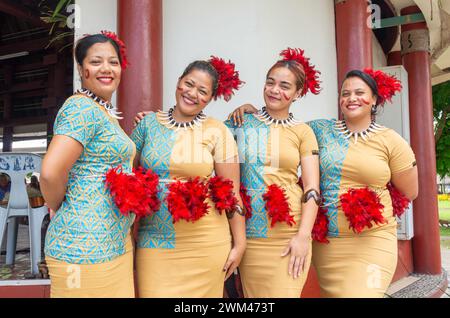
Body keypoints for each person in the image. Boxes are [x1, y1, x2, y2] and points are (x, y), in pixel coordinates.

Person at [229, 68, 419, 298]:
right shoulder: (318, 129)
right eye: (345, 93)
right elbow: (282, 128)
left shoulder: (391, 140)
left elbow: (409, 191)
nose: (351, 98)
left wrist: (368, 205)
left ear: (375, 100)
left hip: (372, 238)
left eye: (360, 92)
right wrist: (251, 112)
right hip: (328, 242)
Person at [131, 57, 246, 297]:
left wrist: (240, 244)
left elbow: (232, 193)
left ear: (210, 98)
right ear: (178, 82)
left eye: (202, 91)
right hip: (154, 242)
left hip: (205, 243)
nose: (192, 93)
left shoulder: (217, 131)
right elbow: (129, 184)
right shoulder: (147, 125)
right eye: (189, 84)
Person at [40, 31, 135, 298]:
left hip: (112, 244)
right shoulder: (80, 108)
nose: (106, 69)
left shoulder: (102, 110)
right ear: (82, 69)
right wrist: (63, 206)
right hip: (82, 248)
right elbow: (49, 173)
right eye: (96, 62)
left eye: (113, 62)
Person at [225, 48, 321, 297]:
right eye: (270, 82)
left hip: (288, 235)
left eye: (285, 86)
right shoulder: (241, 122)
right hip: (249, 236)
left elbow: (312, 189)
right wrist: (160, 118)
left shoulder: (303, 132)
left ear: (298, 93)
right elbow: (202, 136)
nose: (275, 90)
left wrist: (302, 236)